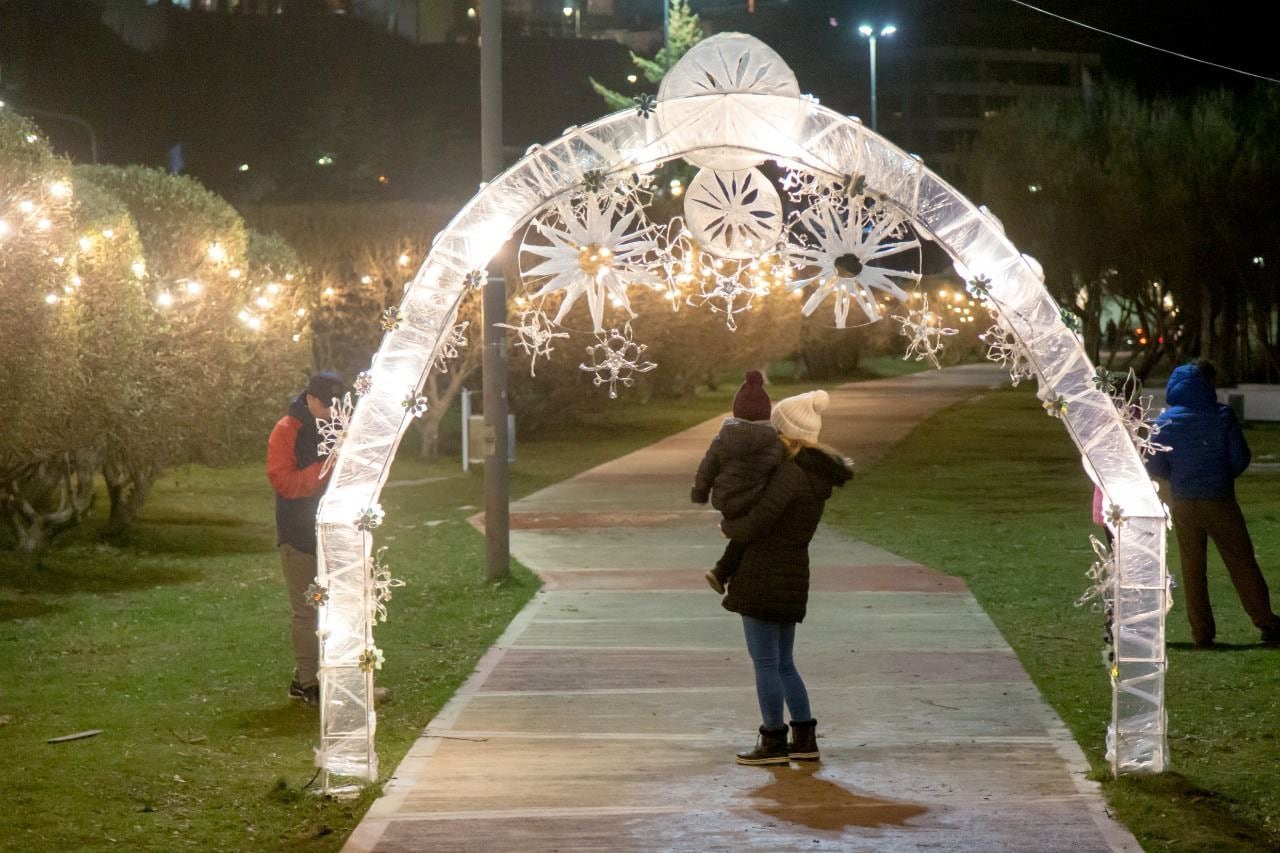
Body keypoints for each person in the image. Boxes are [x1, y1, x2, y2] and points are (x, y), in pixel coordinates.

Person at [719, 390, 852, 765]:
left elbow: (760, 520)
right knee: (784, 662)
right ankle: (805, 738)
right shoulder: (813, 475)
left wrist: (729, 525)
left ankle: (774, 739)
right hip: (792, 572)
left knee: (765, 663)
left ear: (784, 432)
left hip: (764, 573)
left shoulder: (788, 475)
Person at [1145, 361, 1280, 648]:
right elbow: (1240, 457)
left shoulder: (1165, 421)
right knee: (1241, 561)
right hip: (1219, 499)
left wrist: (1179, 477)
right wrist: (1220, 475)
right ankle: (1266, 621)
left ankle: (1202, 633)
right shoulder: (1222, 416)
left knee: (1192, 567)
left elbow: (1155, 462)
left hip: (1183, 501)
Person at [267, 371, 344, 706]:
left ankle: (319, 676)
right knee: (307, 610)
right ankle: (309, 682)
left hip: (334, 533)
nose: (331, 411)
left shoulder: (339, 423)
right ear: (310, 398)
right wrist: (325, 470)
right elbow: (284, 482)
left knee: (335, 608)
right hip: (299, 536)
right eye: (326, 404)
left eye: (336, 405)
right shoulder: (287, 429)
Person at [691, 371, 783, 595]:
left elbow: (708, 466)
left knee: (745, 535)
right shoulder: (774, 442)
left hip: (727, 498)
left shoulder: (723, 437)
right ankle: (724, 571)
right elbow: (779, 471)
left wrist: (700, 491)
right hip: (755, 500)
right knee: (752, 533)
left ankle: (723, 571)